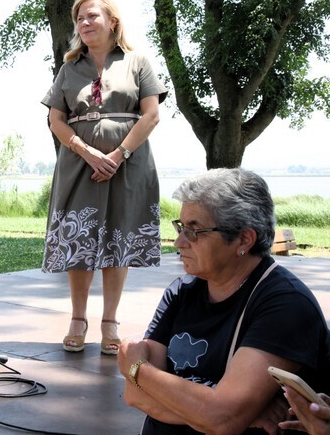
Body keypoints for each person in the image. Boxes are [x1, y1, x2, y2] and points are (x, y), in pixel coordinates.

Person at [119, 168, 330, 434]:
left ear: (244, 239)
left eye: (194, 231)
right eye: (180, 227)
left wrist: (136, 367)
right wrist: (221, 413)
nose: (179, 242)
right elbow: (135, 395)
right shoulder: (181, 291)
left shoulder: (286, 305)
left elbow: (222, 418)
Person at [41, 0, 167, 355]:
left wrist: (118, 154)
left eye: (91, 15)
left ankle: (110, 321)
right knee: (78, 238)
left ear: (112, 21)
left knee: (118, 238)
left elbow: (151, 115)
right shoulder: (68, 68)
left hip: (129, 164)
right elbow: (55, 120)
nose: (84, 23)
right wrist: (88, 153)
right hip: (78, 163)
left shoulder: (137, 61)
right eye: (79, 18)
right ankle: (78, 319)